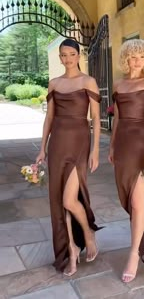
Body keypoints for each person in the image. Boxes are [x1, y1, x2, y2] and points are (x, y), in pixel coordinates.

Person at [35, 38, 101, 276]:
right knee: (58, 199)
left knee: (69, 199)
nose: (67, 59)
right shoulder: (54, 83)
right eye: (63, 55)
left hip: (80, 143)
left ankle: (88, 233)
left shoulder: (88, 81)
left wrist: (95, 150)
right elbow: (49, 118)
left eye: (71, 54)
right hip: (57, 145)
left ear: (78, 55)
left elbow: (95, 118)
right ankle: (71, 249)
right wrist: (42, 148)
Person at [108, 39, 144, 283]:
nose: (137, 61)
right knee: (129, 198)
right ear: (126, 59)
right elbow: (118, 119)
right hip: (122, 146)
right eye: (133, 57)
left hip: (143, 144)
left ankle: (134, 254)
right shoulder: (118, 84)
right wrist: (111, 145)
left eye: (141, 57)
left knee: (136, 199)